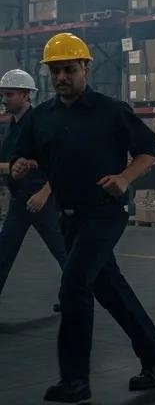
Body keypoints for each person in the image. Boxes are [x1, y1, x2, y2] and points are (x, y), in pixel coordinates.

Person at [15, 33, 155, 403]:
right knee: (110, 289)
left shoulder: (111, 110)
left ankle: (75, 380)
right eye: (55, 71)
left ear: (85, 68)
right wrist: (25, 165)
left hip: (105, 213)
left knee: (73, 286)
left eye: (69, 69)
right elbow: (30, 157)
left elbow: (149, 150)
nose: (61, 78)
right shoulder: (42, 117)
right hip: (69, 217)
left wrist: (124, 177)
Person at [0, 69, 66, 310]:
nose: (4, 99)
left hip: (42, 200)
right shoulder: (11, 126)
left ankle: (75, 296)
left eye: (8, 94)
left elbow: (59, 163)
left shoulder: (41, 123)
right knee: (4, 251)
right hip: (20, 200)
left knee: (63, 252)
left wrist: (44, 193)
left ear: (25, 94)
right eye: (3, 95)